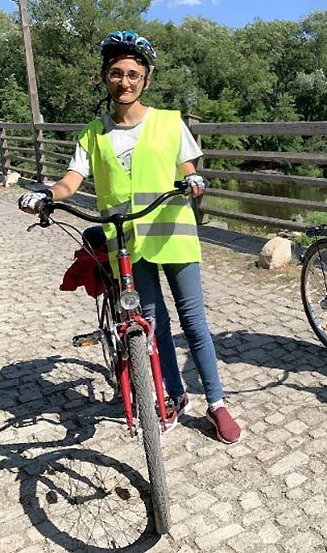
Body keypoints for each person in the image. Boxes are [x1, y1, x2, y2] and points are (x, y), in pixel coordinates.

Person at [18, 30, 240, 443]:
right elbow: (71, 181)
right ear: (106, 78)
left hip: (173, 235)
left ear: (146, 80)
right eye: (116, 73)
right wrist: (47, 194)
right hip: (127, 243)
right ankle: (173, 395)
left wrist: (194, 182)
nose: (125, 81)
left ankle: (217, 402)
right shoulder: (94, 132)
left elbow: (189, 169)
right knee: (153, 323)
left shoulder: (170, 122)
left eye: (133, 74)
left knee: (194, 321)